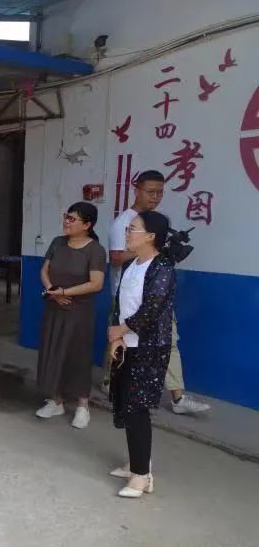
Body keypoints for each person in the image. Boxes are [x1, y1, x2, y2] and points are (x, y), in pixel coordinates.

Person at [106, 170, 209, 415]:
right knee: (119, 340)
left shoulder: (157, 221)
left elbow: (156, 257)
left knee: (168, 341)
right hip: (126, 296)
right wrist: (148, 248)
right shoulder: (123, 222)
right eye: (150, 192)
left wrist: (162, 249)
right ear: (137, 190)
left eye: (160, 192)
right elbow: (116, 258)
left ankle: (177, 397)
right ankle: (112, 382)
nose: (155, 197)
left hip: (154, 296)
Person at [108, 211, 176, 498]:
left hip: (148, 348)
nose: (127, 233)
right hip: (126, 343)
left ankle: (142, 477)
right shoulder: (131, 264)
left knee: (137, 408)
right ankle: (136, 462)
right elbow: (120, 303)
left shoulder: (162, 267)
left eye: (132, 229)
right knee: (125, 404)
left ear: (150, 236)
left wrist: (121, 330)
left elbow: (151, 309)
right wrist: (117, 336)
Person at [36, 202, 106, 429]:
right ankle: (55, 400)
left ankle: (82, 406)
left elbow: (96, 284)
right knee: (52, 351)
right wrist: (52, 292)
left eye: (72, 219)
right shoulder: (58, 242)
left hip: (79, 313)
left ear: (87, 225)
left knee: (77, 356)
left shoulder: (95, 250)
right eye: (66, 216)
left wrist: (65, 293)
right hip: (54, 307)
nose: (66, 221)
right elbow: (44, 270)